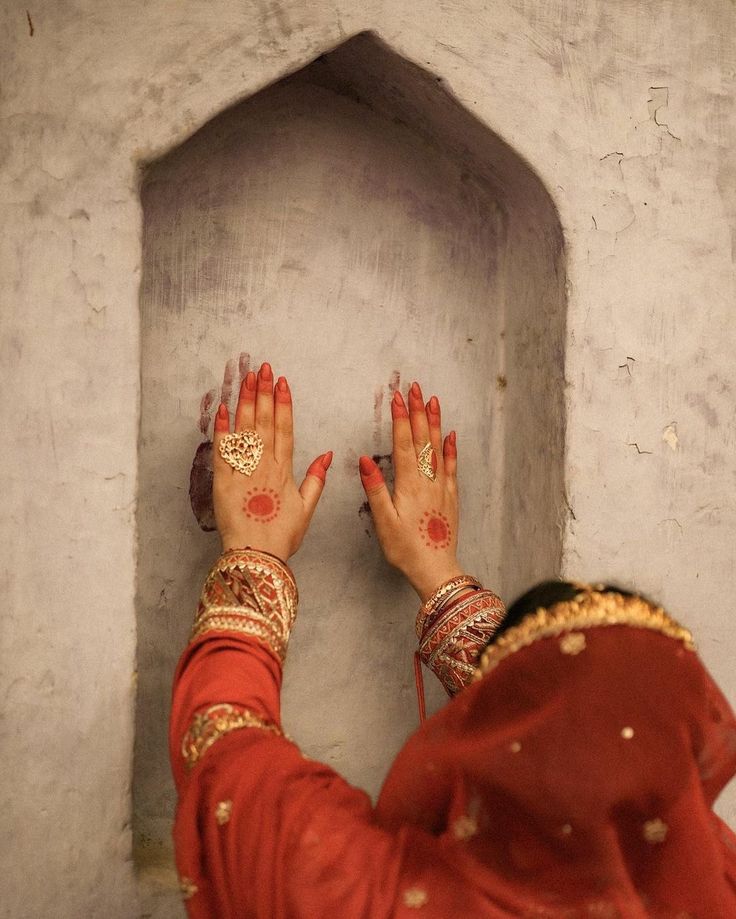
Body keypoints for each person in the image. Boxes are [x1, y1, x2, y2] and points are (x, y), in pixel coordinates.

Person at [169, 362, 736, 918]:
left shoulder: (378, 898)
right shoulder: (712, 877)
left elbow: (224, 750)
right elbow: (602, 748)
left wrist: (254, 554)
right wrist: (442, 579)